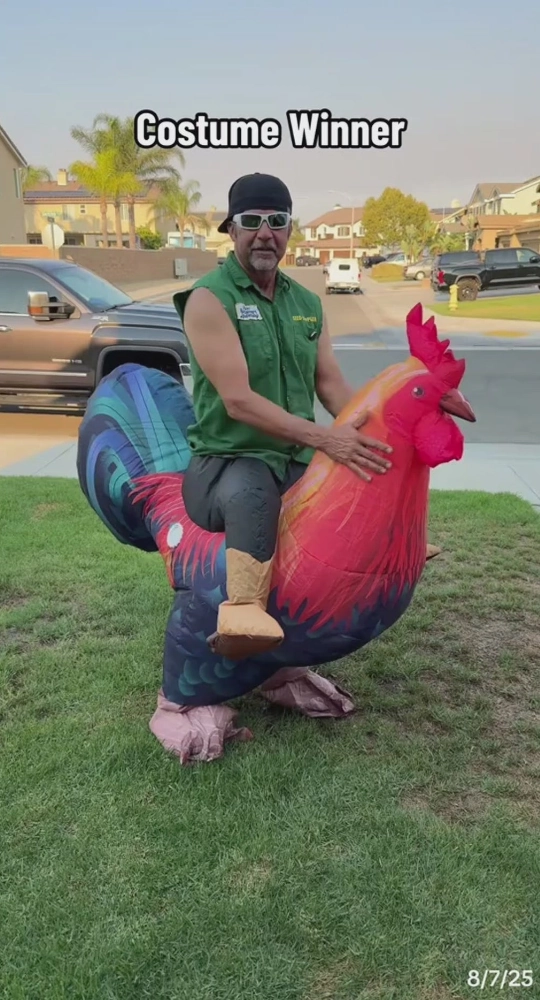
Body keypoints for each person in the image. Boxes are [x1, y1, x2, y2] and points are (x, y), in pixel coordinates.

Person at [173, 172, 394, 666]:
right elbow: (238, 402)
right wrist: (326, 440)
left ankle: (393, 557)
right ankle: (242, 615)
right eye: (251, 222)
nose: (265, 234)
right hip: (226, 462)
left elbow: (331, 385)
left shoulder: (306, 303)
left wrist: (379, 429)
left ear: (290, 229)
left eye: (277, 221)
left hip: (293, 456)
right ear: (231, 230)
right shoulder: (209, 299)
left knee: (360, 473)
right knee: (253, 487)